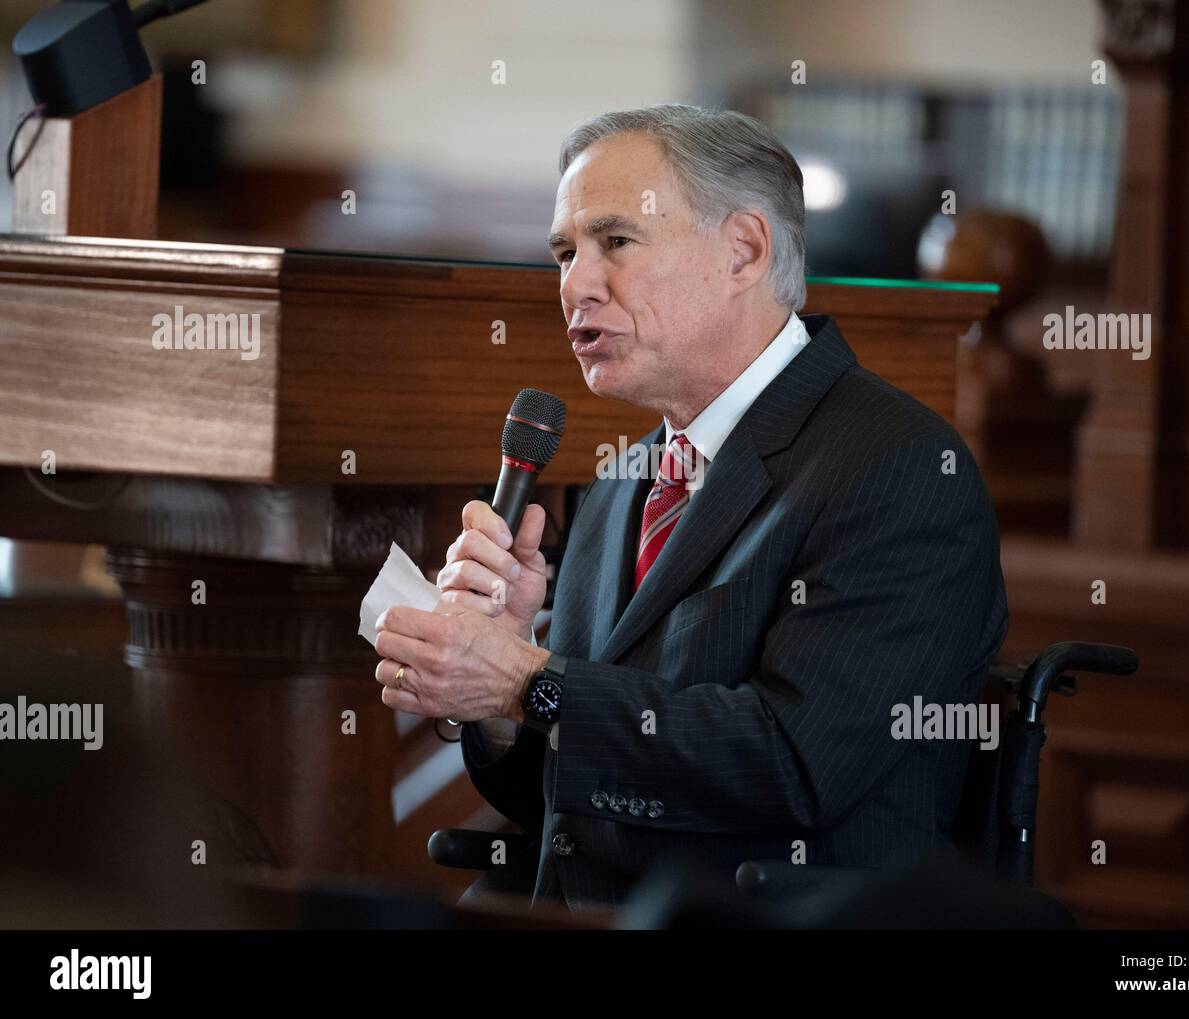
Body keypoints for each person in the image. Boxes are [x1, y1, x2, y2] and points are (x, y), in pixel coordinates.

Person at [372, 104, 1007, 913]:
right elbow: (577, 800)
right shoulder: (622, 481)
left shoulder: (902, 469)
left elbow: (793, 765)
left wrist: (533, 682)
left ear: (743, 250)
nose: (574, 284)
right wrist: (500, 692)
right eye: (565, 252)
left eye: (616, 242)